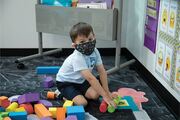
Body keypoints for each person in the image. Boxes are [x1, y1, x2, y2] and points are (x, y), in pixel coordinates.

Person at [56, 22, 116, 107]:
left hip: (81, 80)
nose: (88, 43)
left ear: (94, 37)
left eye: (90, 39)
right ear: (74, 45)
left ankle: (76, 94)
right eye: (82, 42)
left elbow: (102, 71)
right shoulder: (77, 57)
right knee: (82, 103)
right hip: (66, 82)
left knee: (95, 95)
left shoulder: (95, 51)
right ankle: (61, 94)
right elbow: (90, 78)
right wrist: (106, 97)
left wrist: (107, 92)